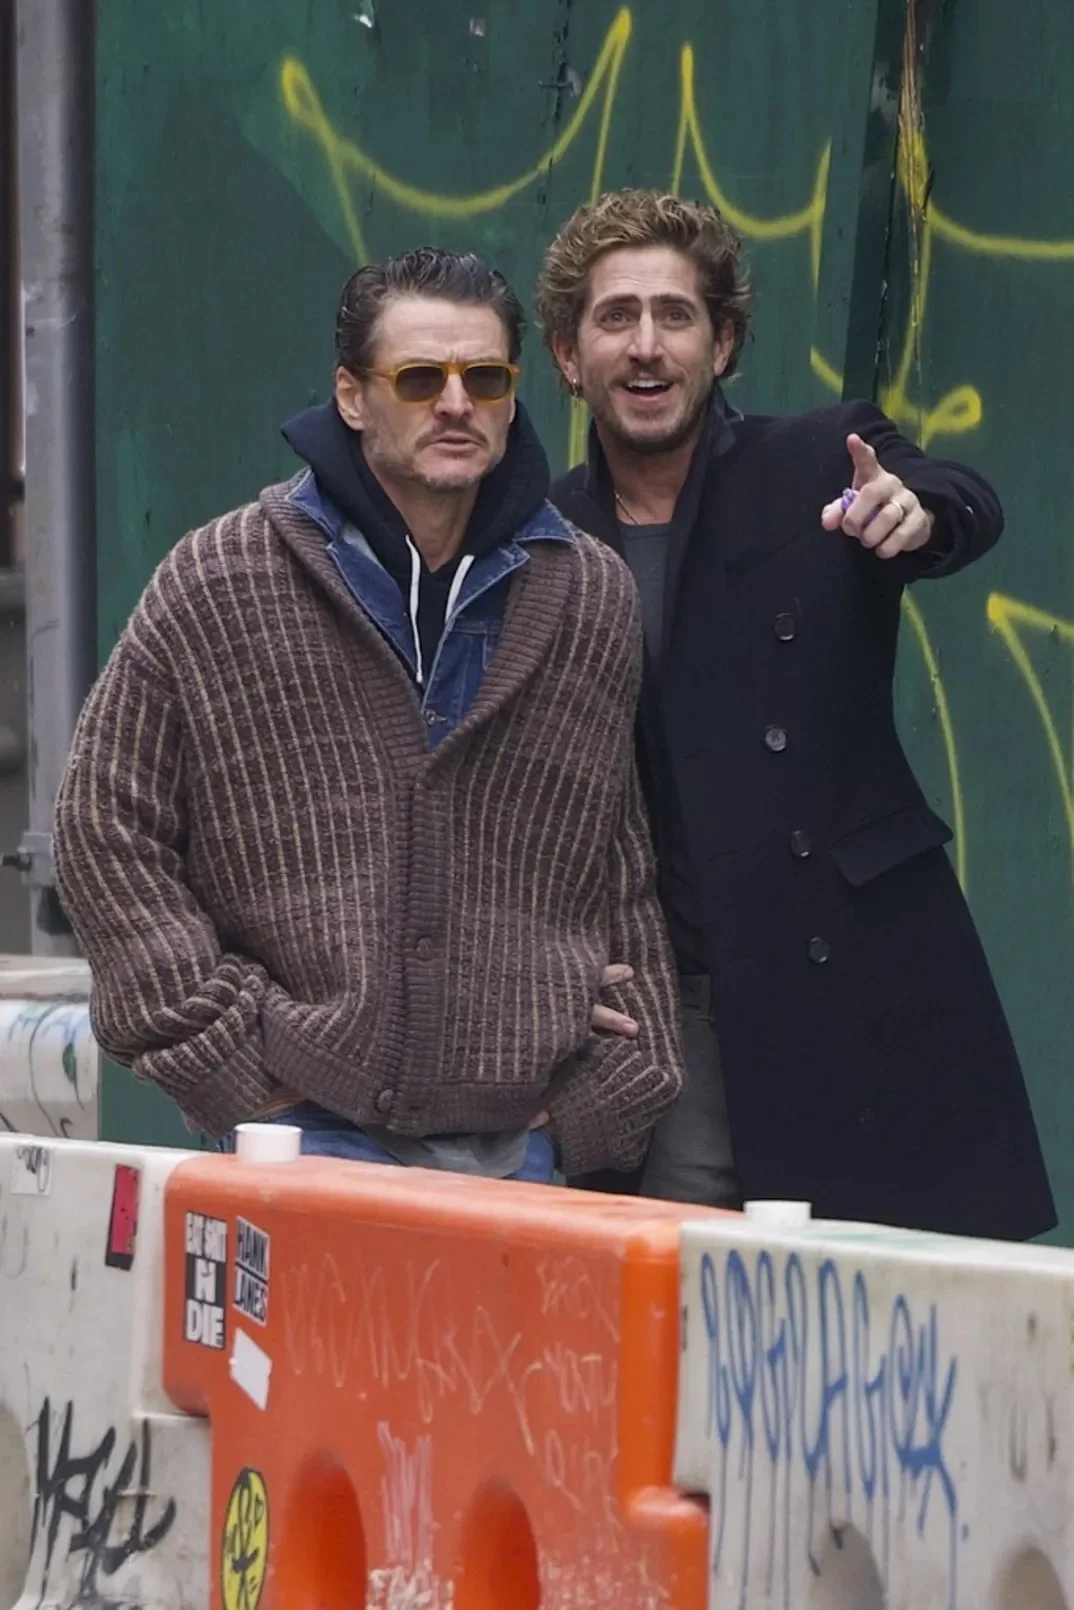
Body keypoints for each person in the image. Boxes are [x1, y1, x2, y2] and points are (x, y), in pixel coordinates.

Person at [53, 246, 685, 1181]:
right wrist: (224, 1056)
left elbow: (614, 862)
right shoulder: (224, 578)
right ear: (352, 396)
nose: (457, 404)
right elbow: (104, 825)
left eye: (486, 378)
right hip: (305, 1132)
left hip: (524, 1149)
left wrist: (616, 1088)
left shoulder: (590, 594)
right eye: (421, 378)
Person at [538, 188, 1055, 1238]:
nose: (647, 345)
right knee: (685, 1304)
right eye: (616, 316)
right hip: (678, 1013)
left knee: (905, 1303)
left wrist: (917, 512)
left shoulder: (822, 458)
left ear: (723, 343)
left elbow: (960, 497)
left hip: (863, 982)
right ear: (567, 355)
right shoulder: (542, 535)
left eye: (676, 315)